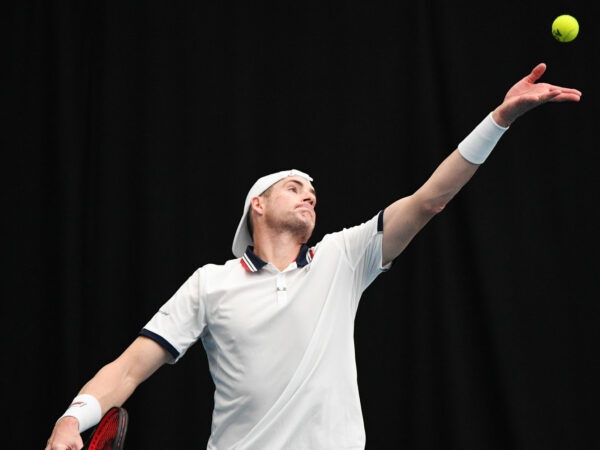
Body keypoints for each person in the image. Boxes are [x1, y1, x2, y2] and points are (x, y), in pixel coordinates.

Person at [45, 62, 581, 450]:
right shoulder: (210, 283)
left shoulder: (343, 257)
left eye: (313, 192)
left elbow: (430, 200)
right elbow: (128, 369)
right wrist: (70, 421)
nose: (310, 194)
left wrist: (500, 119)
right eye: (294, 187)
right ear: (257, 204)